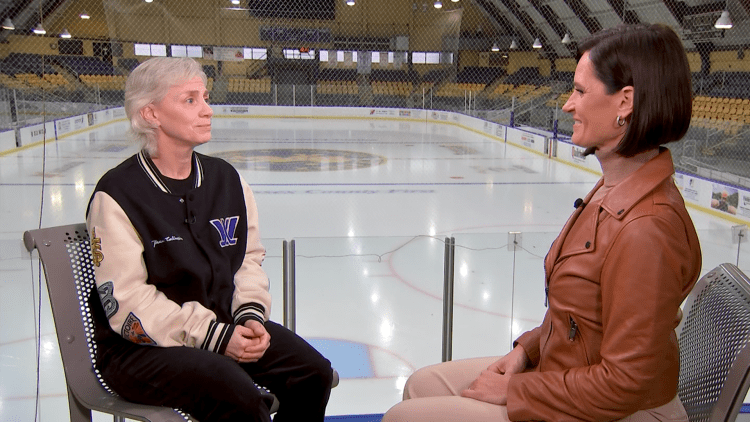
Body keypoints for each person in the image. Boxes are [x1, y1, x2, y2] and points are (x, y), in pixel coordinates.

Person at [383, 23, 701, 422]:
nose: (568, 105)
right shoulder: (611, 190)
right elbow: (580, 319)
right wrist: (526, 351)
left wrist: (517, 391)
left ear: (625, 103)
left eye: (580, 91)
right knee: (422, 385)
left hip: (623, 411)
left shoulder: (646, 229)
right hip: (567, 372)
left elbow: (625, 384)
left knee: (404, 417)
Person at [86, 57, 333, 422]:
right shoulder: (117, 194)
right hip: (140, 349)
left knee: (312, 373)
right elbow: (129, 299)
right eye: (190, 100)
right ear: (151, 114)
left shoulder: (227, 179)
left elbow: (247, 259)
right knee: (237, 396)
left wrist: (250, 316)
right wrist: (214, 336)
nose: (207, 110)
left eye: (205, 97)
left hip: (222, 327)